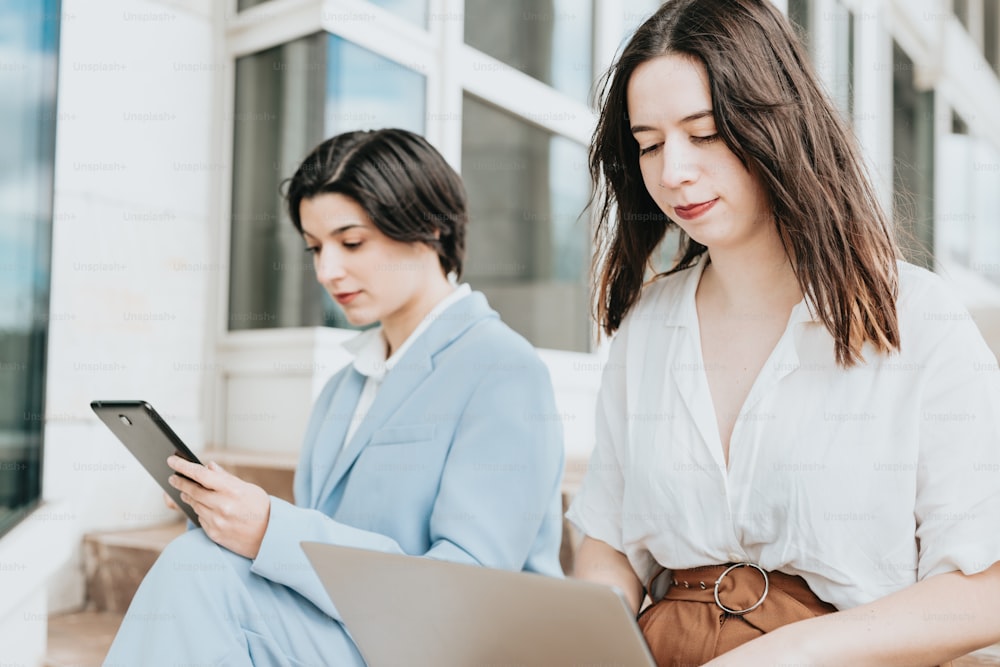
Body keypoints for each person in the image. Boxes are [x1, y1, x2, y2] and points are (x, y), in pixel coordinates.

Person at [566, 1, 1000, 665]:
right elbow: (608, 540)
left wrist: (782, 653)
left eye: (704, 133)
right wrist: (593, 634)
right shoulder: (648, 327)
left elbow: (983, 591)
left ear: (777, 123)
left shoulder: (918, 317)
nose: (673, 171)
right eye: (648, 144)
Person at [104, 128, 565, 665]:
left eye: (351, 242)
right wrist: (224, 515)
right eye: (315, 248)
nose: (328, 271)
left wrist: (271, 529)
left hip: (442, 649)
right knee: (201, 561)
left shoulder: (504, 370)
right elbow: (316, 555)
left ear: (431, 226)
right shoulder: (343, 388)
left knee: (198, 573)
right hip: (347, 635)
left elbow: (468, 591)